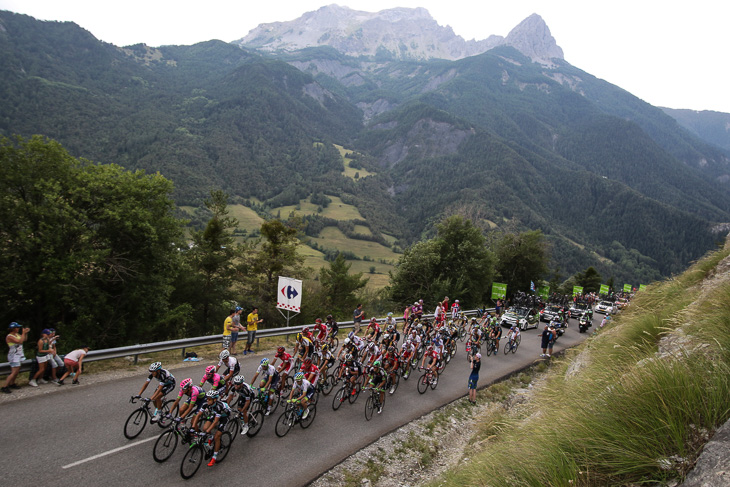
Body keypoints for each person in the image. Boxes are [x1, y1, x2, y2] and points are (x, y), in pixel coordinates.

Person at [2, 322, 30, 393]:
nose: (18, 329)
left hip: (19, 355)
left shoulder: (17, 334)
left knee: (17, 371)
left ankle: (12, 383)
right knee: (13, 372)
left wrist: (25, 333)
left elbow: (24, 340)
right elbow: (19, 342)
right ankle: (4, 386)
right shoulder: (10, 336)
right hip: (13, 356)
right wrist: (23, 333)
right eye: (17, 327)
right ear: (13, 328)